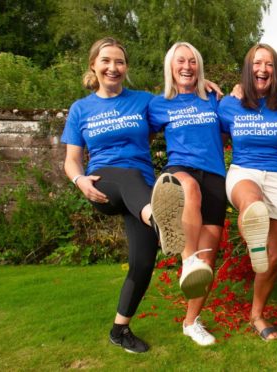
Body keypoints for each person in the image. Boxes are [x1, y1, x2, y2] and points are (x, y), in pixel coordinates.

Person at [62, 37, 158, 353]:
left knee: (143, 262)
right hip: (103, 184)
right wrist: (79, 181)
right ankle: (161, 220)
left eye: (119, 62)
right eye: (106, 61)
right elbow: (72, 159)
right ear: (94, 65)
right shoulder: (81, 109)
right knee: (127, 174)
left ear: (126, 67)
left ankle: (120, 330)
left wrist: (204, 85)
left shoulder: (143, 101)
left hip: (140, 191)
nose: (112, 67)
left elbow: (179, 104)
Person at [218, 43, 277, 341]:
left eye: (268, 64)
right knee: (251, 202)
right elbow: (204, 132)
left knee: (275, 255)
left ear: (275, 71)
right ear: (248, 68)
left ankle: (257, 315)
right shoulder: (229, 104)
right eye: (257, 63)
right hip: (243, 172)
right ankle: (254, 239)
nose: (262, 69)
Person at [148, 41, 227, 346]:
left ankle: (191, 322)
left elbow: (232, 121)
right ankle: (187, 257)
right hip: (180, 169)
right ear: (170, 66)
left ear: (199, 67)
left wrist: (233, 87)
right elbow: (139, 137)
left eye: (192, 62)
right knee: (189, 189)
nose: (187, 67)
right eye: (180, 61)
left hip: (215, 177)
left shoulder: (213, 98)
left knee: (207, 264)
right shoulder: (158, 104)